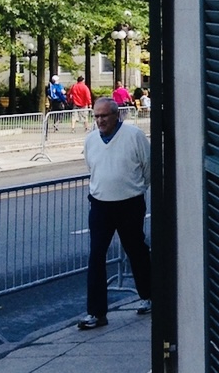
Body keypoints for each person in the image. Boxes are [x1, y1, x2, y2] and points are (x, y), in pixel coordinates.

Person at [77, 98, 152, 329]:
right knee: (96, 256)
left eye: (104, 116)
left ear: (116, 115)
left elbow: (147, 166)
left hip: (129, 203)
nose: (100, 121)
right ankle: (97, 313)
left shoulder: (133, 136)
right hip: (101, 205)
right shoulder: (91, 140)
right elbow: (92, 167)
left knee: (136, 250)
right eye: (96, 116)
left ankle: (148, 295)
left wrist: (136, 188)